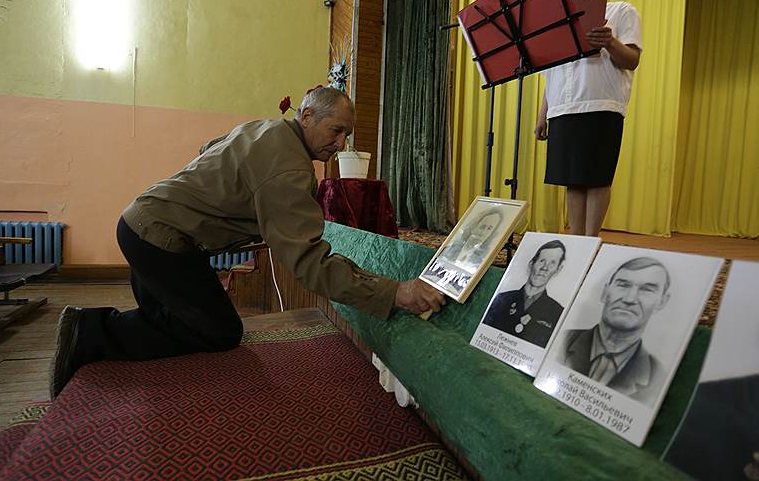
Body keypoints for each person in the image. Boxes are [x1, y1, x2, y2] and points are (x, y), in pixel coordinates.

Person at [49, 87, 446, 399]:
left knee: (168, 322)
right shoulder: (288, 167)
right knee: (220, 332)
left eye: (346, 134)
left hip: (139, 221)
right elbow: (309, 263)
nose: (341, 144)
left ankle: (109, 341)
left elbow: (208, 149)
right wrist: (394, 293)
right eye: (335, 130)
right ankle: (89, 331)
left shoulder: (265, 128)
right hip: (160, 242)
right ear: (306, 116)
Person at [534, 0, 642, 237]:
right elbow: (552, 74)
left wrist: (610, 42)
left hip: (600, 105)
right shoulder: (560, 22)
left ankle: (591, 240)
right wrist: (543, 113)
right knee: (573, 180)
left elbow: (632, 60)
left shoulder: (621, 11)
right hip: (562, 109)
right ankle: (575, 241)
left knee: (596, 178)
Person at [559, 257, 670, 406]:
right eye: (623, 285)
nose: (629, 299)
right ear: (605, 292)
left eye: (647, 290)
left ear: (661, 302)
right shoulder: (560, 341)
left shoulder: (657, 376)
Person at [483, 240, 566, 348]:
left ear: (557, 270)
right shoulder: (502, 299)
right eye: (542, 261)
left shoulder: (557, 312)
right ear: (531, 264)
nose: (545, 268)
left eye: (552, 263)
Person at [437, 207, 504, 273]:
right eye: (482, 227)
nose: (483, 232)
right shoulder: (452, 248)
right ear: (474, 226)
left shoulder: (481, 259)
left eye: (489, 229)